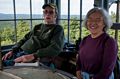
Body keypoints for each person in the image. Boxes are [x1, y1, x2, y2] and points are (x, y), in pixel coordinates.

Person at [76, 7, 118, 79]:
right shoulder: (85, 39)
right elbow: (79, 60)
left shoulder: (109, 42)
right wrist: (78, 73)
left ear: (104, 23)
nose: (93, 22)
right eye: (90, 19)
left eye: (98, 20)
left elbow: (106, 70)